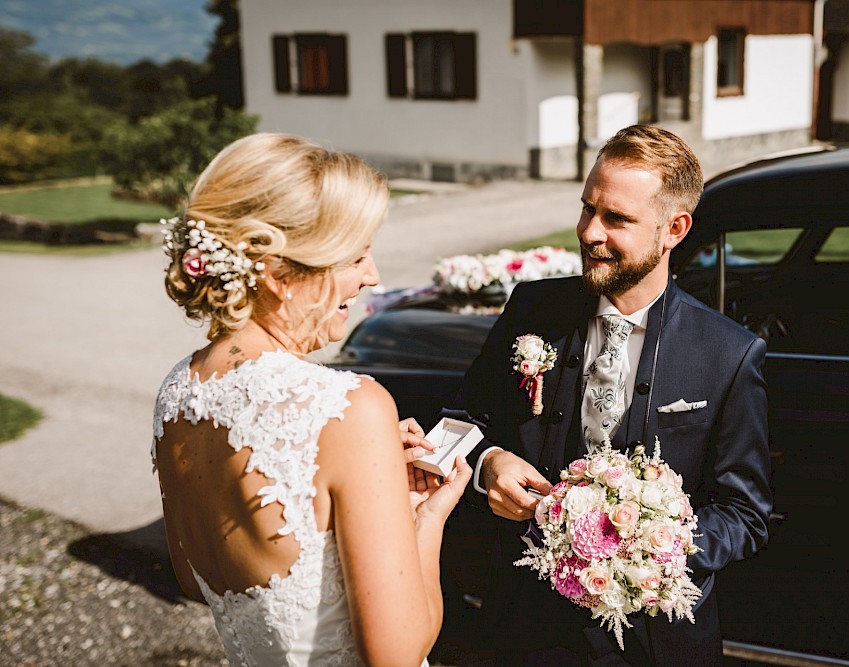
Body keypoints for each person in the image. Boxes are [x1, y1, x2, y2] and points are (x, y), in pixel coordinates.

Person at [449, 125, 772, 665]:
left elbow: (745, 513)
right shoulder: (531, 310)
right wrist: (489, 463)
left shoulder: (728, 354)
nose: (589, 232)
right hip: (524, 631)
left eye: (616, 219)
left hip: (657, 645)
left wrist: (653, 551)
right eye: (586, 209)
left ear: (674, 228)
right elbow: (457, 420)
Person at [151, 132, 471, 666]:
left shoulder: (178, 390)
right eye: (357, 257)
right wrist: (426, 519)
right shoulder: (352, 406)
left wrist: (354, 470)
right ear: (280, 275)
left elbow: (193, 577)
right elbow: (395, 655)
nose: (372, 277)